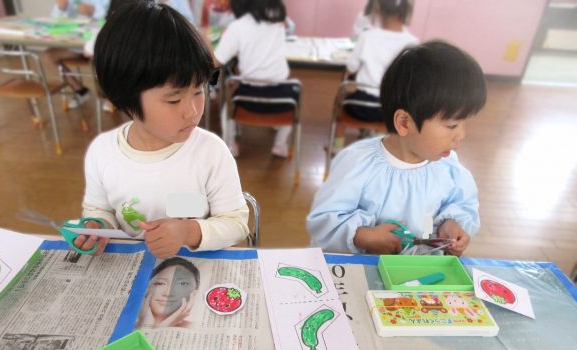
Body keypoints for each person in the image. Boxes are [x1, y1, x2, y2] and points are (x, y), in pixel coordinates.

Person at [74, 1, 249, 259]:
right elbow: (99, 209)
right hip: (131, 268)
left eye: (199, 91)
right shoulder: (102, 153)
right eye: (174, 100)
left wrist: (187, 232)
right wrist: (97, 226)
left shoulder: (210, 152)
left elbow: (236, 223)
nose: (192, 111)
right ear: (124, 98)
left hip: (194, 266)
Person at [306, 41, 487, 257]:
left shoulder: (448, 167)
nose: (462, 135)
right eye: (452, 125)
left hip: (418, 273)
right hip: (364, 269)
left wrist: (450, 224)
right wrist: (363, 236)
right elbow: (324, 220)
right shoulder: (358, 163)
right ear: (404, 122)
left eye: (465, 124)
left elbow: (461, 204)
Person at [214, 0, 298, 158]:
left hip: (248, 98)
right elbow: (288, 25)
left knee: (227, 108)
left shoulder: (238, 26)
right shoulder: (277, 20)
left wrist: (205, 42)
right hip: (283, 98)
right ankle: (280, 145)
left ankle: (230, 144)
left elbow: (217, 60)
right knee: (296, 98)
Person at [333, 0, 418, 152]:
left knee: (340, 107)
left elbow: (351, 68)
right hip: (390, 110)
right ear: (406, 11)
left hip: (360, 105)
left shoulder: (367, 36)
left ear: (378, 9)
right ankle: (379, 140)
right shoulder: (413, 43)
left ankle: (336, 149)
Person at [41, 0, 109, 109]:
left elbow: (112, 15)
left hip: (97, 43)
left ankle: (109, 97)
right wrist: (61, 8)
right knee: (47, 56)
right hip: (74, 44)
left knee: (101, 57)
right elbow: (55, 21)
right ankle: (80, 90)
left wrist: (93, 10)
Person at [137, 257, 200, 327]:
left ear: (195, 293)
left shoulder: (195, 328)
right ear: (147, 288)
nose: (167, 293)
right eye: (160, 283)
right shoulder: (130, 326)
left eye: (182, 284)